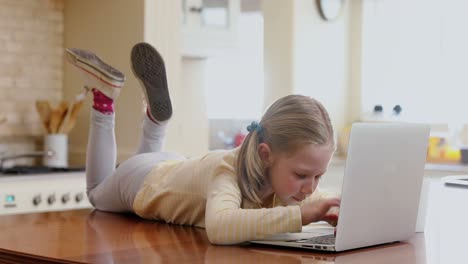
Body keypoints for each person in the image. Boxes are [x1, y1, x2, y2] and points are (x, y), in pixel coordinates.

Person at [66, 42, 340, 245]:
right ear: (266, 154)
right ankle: (103, 99)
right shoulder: (229, 170)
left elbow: (319, 199)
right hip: (142, 181)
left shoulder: (284, 179)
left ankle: (155, 119)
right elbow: (220, 227)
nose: (311, 187)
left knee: (142, 176)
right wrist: (300, 216)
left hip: (167, 166)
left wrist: (338, 207)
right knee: (96, 192)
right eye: (302, 175)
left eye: (319, 176)